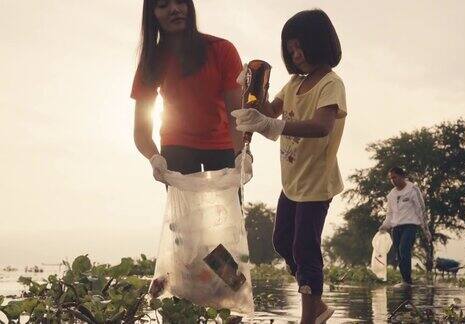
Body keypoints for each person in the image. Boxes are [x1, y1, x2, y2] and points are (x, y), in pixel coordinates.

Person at [233, 9, 345, 324]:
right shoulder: (295, 82)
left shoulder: (330, 84)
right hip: (292, 182)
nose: (296, 55)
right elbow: (269, 109)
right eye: (291, 49)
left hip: (317, 183)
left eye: (301, 47)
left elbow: (323, 126)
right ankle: (318, 303)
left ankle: (308, 317)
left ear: (321, 43)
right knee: (282, 242)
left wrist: (276, 126)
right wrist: (255, 87)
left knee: (305, 249)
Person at [132, 0, 247, 180]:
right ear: (152, 15)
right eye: (163, 5)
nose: (174, 10)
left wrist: (242, 154)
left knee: (223, 208)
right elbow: (141, 131)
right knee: (185, 208)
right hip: (176, 146)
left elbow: (236, 115)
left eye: (180, 2)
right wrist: (155, 158)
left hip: (222, 144)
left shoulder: (222, 49)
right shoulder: (151, 61)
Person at [379, 167, 432, 287]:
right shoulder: (391, 195)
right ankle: (405, 281)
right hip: (396, 227)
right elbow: (390, 214)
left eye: (395, 177)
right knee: (398, 254)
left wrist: (425, 229)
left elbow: (421, 210)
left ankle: (408, 281)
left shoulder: (413, 189)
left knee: (404, 250)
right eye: (391, 178)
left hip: (410, 226)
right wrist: (384, 226)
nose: (393, 180)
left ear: (402, 176)